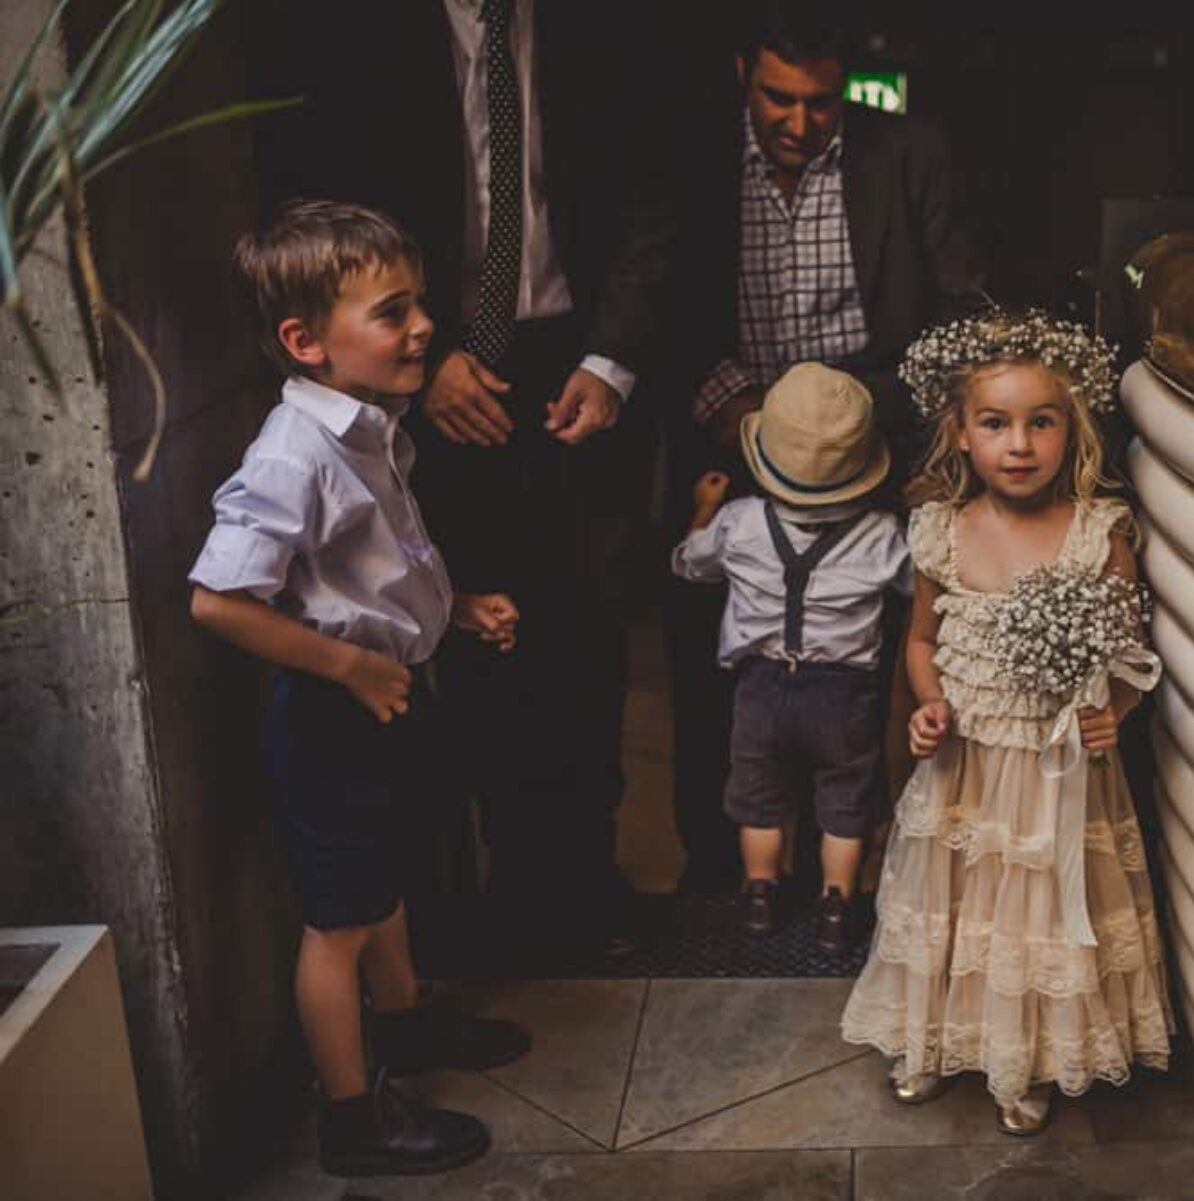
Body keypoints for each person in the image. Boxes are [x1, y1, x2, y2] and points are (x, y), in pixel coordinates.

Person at [252, 0, 674, 953]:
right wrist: (424, 357)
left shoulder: (605, 28)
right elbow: (313, 203)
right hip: (419, 357)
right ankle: (457, 913)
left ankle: (573, 887)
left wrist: (612, 361)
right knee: (453, 632)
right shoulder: (354, 32)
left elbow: (653, 195)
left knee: (581, 627)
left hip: (576, 353)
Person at [189, 201, 531, 1176]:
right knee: (337, 919)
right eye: (393, 312)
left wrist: (453, 608)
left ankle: (410, 1023)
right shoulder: (293, 453)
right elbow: (218, 601)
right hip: (334, 714)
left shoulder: (368, 427)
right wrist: (352, 665)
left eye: (419, 304)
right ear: (305, 341)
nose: (423, 327)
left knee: (381, 878)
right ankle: (351, 1115)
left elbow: (366, 570)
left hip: (383, 694)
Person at [665, 0, 987, 893]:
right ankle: (725, 874)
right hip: (736, 429)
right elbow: (664, 304)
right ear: (743, 74)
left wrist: (851, 420)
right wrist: (736, 411)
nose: (800, 123)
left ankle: (853, 874)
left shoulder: (910, 153)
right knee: (725, 665)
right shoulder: (692, 156)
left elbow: (958, 314)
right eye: (779, 99)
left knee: (863, 666)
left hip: (870, 439)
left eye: (821, 103)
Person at [839, 310, 1172, 1136]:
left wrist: (1115, 712)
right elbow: (920, 643)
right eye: (996, 423)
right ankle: (930, 1038)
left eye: (1041, 422)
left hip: (1056, 782)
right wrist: (928, 705)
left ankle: (1025, 1058)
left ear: (1072, 429)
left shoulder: (1100, 534)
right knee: (954, 911)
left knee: (1035, 921)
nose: (1019, 444)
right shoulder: (941, 534)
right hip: (966, 771)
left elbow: (1131, 651)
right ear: (960, 432)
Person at [671, 364, 912, 951]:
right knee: (845, 799)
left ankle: (758, 895)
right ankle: (836, 905)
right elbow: (915, 584)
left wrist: (703, 510)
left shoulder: (739, 522)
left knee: (759, 797)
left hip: (760, 688)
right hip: (844, 693)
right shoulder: (882, 533)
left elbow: (687, 563)